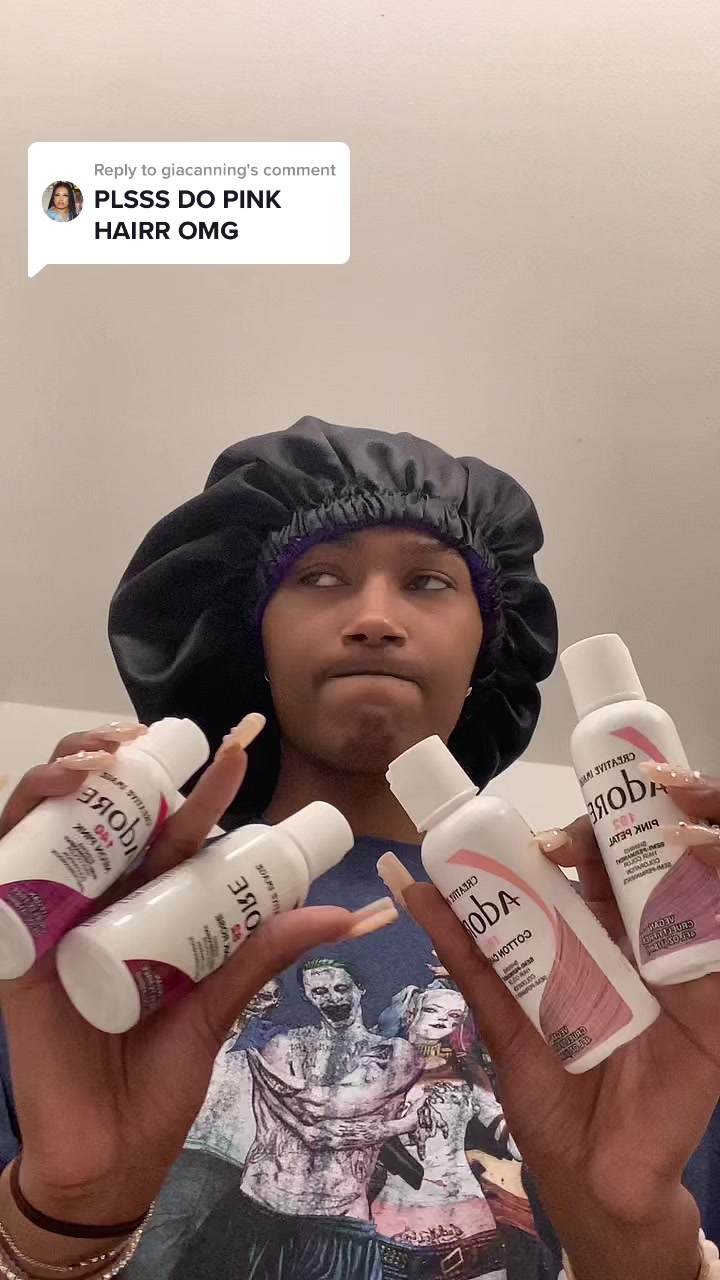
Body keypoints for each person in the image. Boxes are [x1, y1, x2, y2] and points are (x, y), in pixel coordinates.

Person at [0, 415, 718, 1280]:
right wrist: (68, 1218)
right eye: (320, 577)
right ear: (253, 636)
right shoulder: (92, 943)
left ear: (488, 648)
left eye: (427, 581)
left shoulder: (631, 965)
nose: (375, 618)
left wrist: (625, 1235)